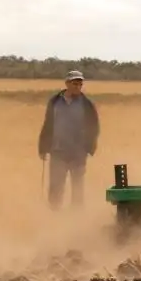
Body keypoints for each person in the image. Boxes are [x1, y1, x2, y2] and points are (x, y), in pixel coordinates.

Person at [37, 71, 100, 209]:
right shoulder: (54, 102)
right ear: (67, 83)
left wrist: (90, 147)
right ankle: (54, 215)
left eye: (80, 84)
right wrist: (42, 148)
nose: (78, 86)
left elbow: (94, 126)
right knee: (55, 187)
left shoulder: (87, 104)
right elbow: (48, 125)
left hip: (78, 153)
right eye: (75, 83)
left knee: (78, 188)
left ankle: (76, 218)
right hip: (58, 151)